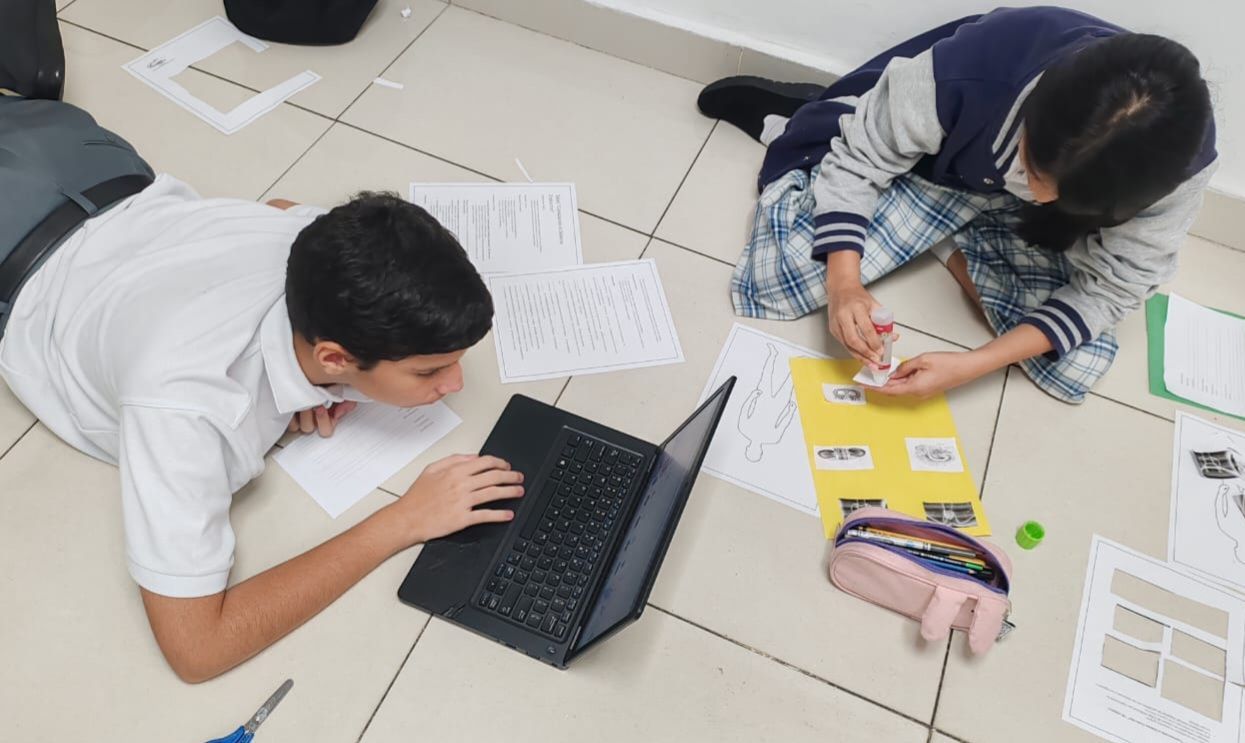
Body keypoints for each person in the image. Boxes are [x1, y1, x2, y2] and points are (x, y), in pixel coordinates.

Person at [0, 24, 517, 680]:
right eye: (430, 369)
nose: (455, 384)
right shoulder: (186, 408)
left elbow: (280, 206)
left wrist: (310, 387)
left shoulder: (313, 244)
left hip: (77, 154)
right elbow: (198, 649)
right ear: (334, 355)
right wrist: (401, 521)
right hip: (22, 238)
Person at [697, 7, 1216, 403]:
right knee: (776, 281)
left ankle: (945, 244)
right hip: (938, 170)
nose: (1039, 194)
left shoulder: (1173, 169)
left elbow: (1114, 289)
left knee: (1074, 367)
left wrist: (972, 365)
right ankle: (801, 113)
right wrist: (844, 285)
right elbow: (861, 159)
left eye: (1063, 194)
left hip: (1026, 222)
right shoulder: (981, 68)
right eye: (1035, 171)